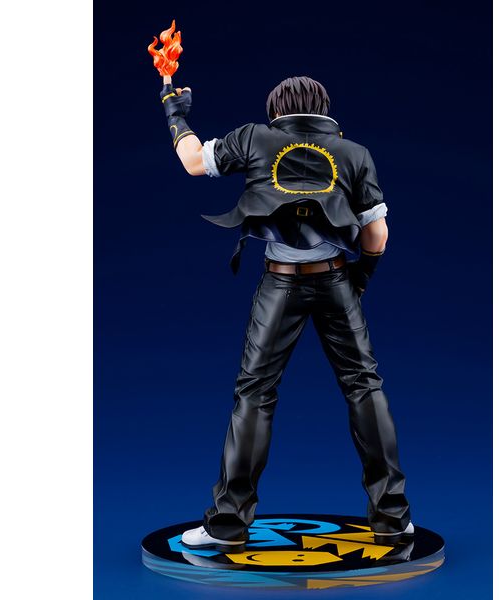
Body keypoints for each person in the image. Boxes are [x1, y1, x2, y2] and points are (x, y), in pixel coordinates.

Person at [159, 75, 413, 552]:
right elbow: (377, 235)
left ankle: (229, 525)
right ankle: (392, 519)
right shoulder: (354, 153)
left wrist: (175, 112)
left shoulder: (254, 137)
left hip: (279, 283)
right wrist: (359, 279)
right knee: (364, 386)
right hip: (336, 279)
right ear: (324, 110)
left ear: (276, 110)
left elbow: (192, 162)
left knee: (255, 393)